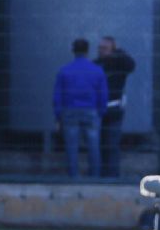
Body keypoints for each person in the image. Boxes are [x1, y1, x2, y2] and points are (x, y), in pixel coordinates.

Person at [53, 38, 108, 178]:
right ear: (87, 51)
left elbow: (58, 95)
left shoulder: (64, 70)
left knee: (71, 147)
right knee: (94, 146)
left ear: (73, 51)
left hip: (70, 111)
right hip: (91, 111)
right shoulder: (97, 70)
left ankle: (73, 176)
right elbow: (103, 94)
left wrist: (58, 115)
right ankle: (95, 176)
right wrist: (101, 111)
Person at [94, 36, 136, 178]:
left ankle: (111, 176)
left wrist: (118, 51)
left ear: (113, 50)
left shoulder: (120, 64)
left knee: (111, 144)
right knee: (98, 144)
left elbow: (131, 65)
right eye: (100, 48)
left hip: (114, 108)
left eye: (105, 48)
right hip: (97, 110)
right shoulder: (96, 64)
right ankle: (100, 175)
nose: (101, 51)